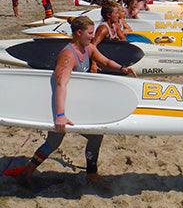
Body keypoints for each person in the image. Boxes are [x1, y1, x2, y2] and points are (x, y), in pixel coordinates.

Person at [14, 16, 136, 187]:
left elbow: (105, 62)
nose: (93, 36)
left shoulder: (89, 48)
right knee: (53, 143)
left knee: (91, 137)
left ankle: (91, 174)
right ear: (79, 33)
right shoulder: (68, 56)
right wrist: (61, 114)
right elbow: (60, 84)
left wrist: (122, 68)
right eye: (90, 33)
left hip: (77, 103)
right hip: (63, 104)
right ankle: (27, 172)